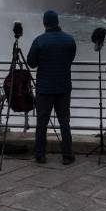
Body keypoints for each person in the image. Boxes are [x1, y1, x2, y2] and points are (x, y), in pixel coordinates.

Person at [26, 10, 77, 165]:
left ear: (44, 23)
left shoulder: (39, 41)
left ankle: (40, 155)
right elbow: (71, 58)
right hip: (63, 87)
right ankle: (67, 155)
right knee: (64, 122)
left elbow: (31, 63)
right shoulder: (69, 40)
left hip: (44, 89)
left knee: (42, 123)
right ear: (57, 22)